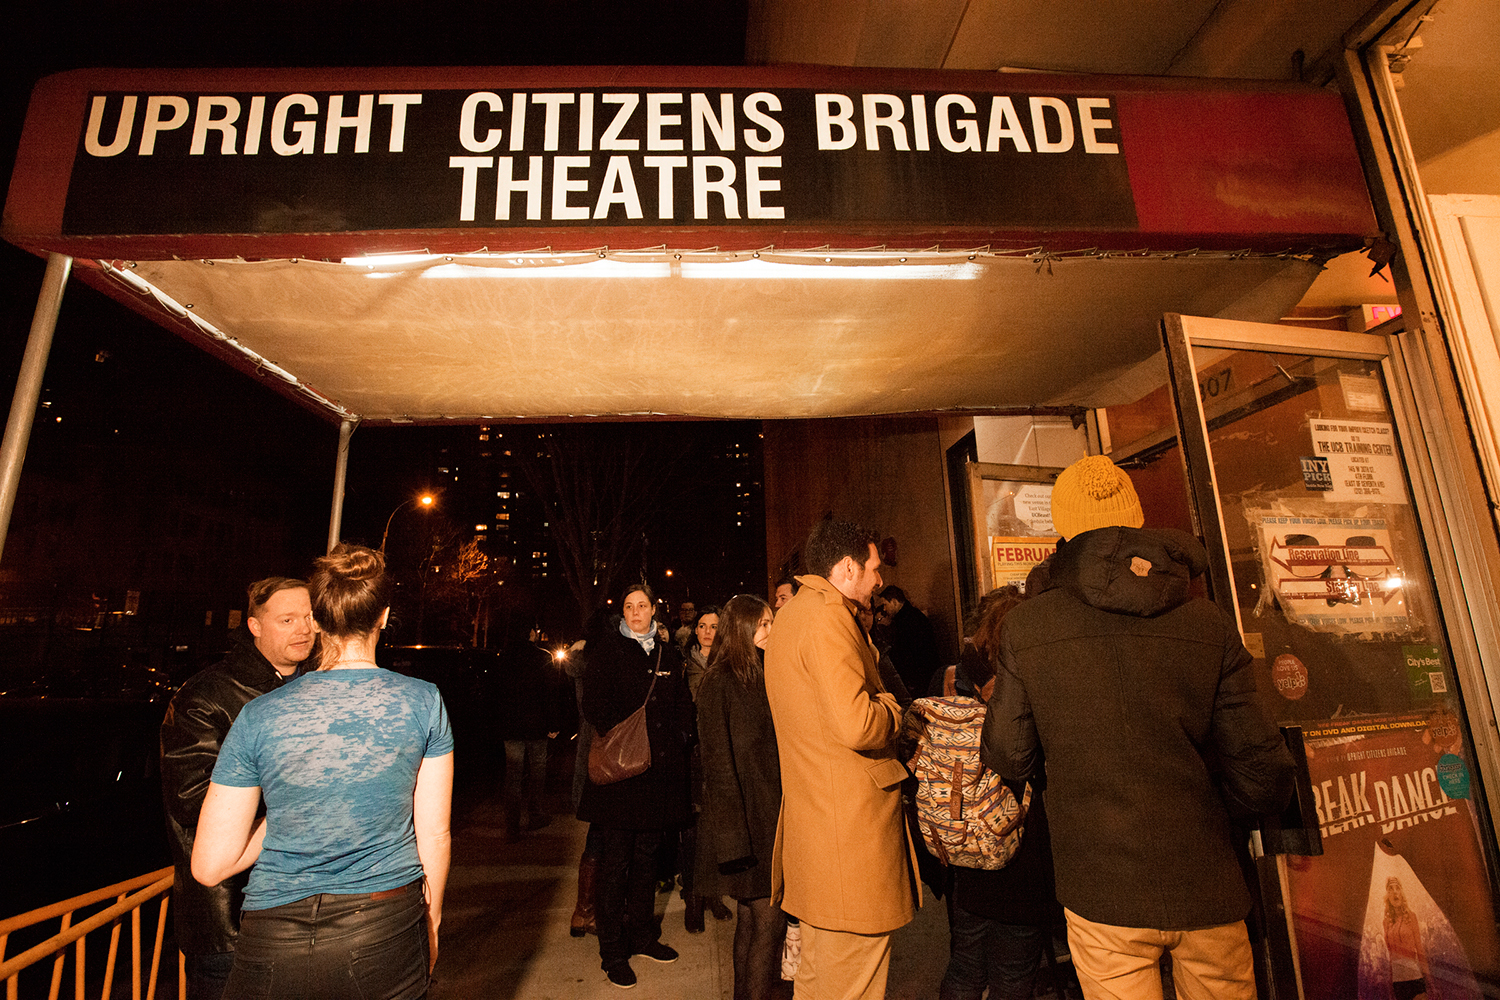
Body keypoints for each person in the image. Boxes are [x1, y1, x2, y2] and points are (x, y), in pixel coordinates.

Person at [981, 455, 1295, 1000]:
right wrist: (1219, 818)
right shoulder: (1207, 622)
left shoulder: (1028, 627)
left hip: (1101, 887)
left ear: (1063, 527)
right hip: (1208, 883)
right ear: (1137, 517)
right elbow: (1261, 766)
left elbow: (1008, 754)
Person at [192, 544, 454, 1000]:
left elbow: (211, 865)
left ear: (318, 619)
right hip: (384, 925)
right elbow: (434, 835)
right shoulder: (423, 700)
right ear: (384, 616)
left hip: (272, 937)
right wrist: (430, 923)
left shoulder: (258, 714)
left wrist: (292, 807)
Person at [764, 518, 920, 1000]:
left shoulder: (795, 613)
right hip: (847, 845)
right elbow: (857, 723)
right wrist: (893, 708)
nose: (879, 580)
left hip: (821, 840)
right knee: (852, 984)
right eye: (873, 569)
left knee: (818, 982)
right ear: (848, 567)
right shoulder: (829, 617)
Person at [160, 577, 315, 1000]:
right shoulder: (205, 697)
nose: (304, 628)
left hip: (306, 915)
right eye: (287, 619)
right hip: (231, 918)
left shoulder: (315, 687)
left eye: (310, 616)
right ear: (254, 625)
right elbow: (194, 799)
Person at [926, 586, 1063, 1000]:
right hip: (1020, 852)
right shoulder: (1033, 680)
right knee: (1013, 976)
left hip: (966, 850)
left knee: (965, 965)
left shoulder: (949, 678)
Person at [576, 582, 694, 989]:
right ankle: (612, 951)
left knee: (649, 861)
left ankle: (644, 936)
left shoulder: (667, 651)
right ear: (622, 613)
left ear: (654, 610)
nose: (635, 612)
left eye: (642, 605)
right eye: (629, 606)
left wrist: (680, 737)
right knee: (615, 863)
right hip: (620, 778)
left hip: (657, 775)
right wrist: (618, 734)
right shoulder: (608, 650)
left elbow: (681, 701)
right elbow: (593, 703)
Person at [696, 594, 791, 1000]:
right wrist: (734, 843)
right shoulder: (719, 682)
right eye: (763, 624)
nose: (771, 631)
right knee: (767, 927)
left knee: (753, 924)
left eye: (772, 622)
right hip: (745, 830)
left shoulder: (763, 672)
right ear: (742, 630)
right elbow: (718, 767)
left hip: (766, 821)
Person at [495, 619, 570, 841]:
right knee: (537, 771)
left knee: (513, 775)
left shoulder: (504, 658)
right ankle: (535, 813)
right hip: (537, 724)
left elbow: (497, 693)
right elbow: (550, 693)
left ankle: (512, 825)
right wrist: (554, 723)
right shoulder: (542, 657)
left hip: (512, 725)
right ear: (530, 634)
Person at [878, 585, 942, 701]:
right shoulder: (913, 616)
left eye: (885, 605)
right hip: (926, 677)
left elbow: (906, 655)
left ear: (894, 602)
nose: (884, 610)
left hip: (918, 681)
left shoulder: (905, 622)